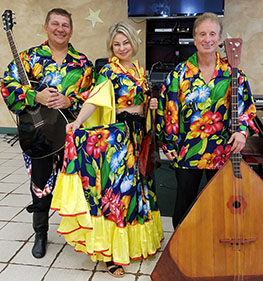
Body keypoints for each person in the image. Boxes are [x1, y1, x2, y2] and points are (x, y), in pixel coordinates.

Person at [51, 21, 163, 278]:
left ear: (133, 44)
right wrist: (78, 122)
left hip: (138, 136)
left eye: (125, 43)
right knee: (117, 194)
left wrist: (151, 104)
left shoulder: (139, 70)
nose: (122, 48)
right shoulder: (109, 72)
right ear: (111, 47)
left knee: (137, 191)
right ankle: (109, 254)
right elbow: (94, 100)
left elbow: (142, 102)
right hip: (118, 138)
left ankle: (136, 243)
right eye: (116, 44)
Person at [1, 8, 94, 258]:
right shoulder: (29, 58)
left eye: (65, 25)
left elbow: (92, 95)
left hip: (71, 134)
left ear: (71, 30)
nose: (60, 29)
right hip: (39, 134)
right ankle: (40, 233)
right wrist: (34, 95)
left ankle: (79, 232)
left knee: (77, 183)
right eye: (55, 24)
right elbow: (7, 84)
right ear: (46, 27)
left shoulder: (83, 63)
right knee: (40, 185)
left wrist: (69, 100)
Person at [156, 12, 259, 229]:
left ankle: (214, 249)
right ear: (194, 39)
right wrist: (168, 143)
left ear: (220, 39)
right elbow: (168, 110)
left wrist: (241, 131)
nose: (207, 39)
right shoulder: (179, 73)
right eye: (202, 34)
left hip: (222, 150)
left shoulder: (232, 73)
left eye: (212, 34)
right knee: (185, 203)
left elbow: (246, 107)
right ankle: (181, 251)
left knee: (219, 204)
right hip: (188, 150)